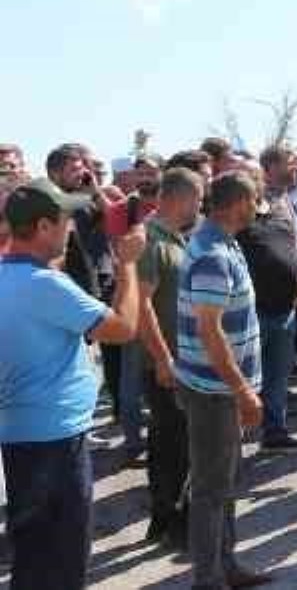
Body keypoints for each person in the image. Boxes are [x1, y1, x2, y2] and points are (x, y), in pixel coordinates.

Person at [0, 180, 146, 590]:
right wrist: (128, 265)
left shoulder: (16, 276)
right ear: (44, 227)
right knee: (62, 560)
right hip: (56, 440)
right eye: (65, 220)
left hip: (23, 435)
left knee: (33, 554)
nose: (71, 229)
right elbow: (123, 328)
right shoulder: (45, 284)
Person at [175, 172, 272, 589]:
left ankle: (226, 565)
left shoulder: (224, 242)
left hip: (219, 388)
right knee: (212, 489)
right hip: (214, 392)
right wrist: (242, 390)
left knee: (225, 483)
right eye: (254, 200)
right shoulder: (213, 254)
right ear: (237, 203)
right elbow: (209, 331)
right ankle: (209, 579)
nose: (258, 207)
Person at [135, 167, 205, 548]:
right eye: (199, 198)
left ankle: (168, 520)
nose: (201, 206)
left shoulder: (175, 238)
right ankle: (170, 521)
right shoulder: (149, 239)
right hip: (167, 363)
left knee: (176, 441)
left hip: (185, 360)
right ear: (181, 198)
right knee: (172, 445)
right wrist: (163, 359)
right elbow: (141, 305)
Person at [240, 160, 297, 455]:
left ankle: (274, 433)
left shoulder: (281, 206)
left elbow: (296, 247)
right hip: (251, 313)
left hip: (285, 309)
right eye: (246, 177)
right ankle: (231, 446)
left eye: (255, 176)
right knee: (244, 380)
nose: (253, 182)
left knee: (277, 378)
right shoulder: (236, 218)